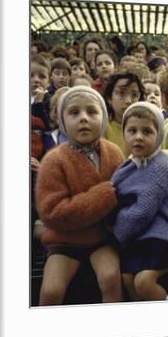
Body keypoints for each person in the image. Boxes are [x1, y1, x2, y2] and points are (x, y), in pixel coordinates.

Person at [35, 86, 125, 305]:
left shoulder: (114, 152)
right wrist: (102, 195)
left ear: (103, 117)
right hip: (64, 241)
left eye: (92, 112)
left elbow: (124, 197)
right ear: (62, 119)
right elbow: (52, 213)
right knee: (51, 290)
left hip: (101, 239)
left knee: (111, 278)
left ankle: (116, 334)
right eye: (74, 113)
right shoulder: (53, 160)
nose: (84, 118)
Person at [110, 102, 168, 301]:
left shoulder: (161, 167)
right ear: (124, 134)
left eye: (147, 131)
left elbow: (143, 210)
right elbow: (114, 192)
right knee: (126, 277)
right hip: (148, 233)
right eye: (132, 130)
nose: (138, 137)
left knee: (143, 281)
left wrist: (116, 232)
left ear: (159, 136)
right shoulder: (128, 166)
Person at [104, 71, 146, 157]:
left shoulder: (147, 127)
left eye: (134, 95)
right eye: (121, 93)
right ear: (109, 98)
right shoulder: (103, 128)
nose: (128, 101)